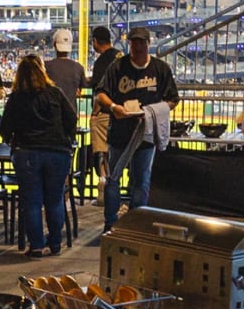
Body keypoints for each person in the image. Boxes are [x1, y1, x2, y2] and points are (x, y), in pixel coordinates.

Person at [93, 26, 181, 226]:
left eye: (141, 43)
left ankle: (135, 224)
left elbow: (173, 99)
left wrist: (153, 112)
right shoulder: (117, 67)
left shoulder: (160, 68)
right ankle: (111, 224)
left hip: (146, 134)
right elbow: (100, 93)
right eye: (134, 43)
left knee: (141, 181)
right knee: (113, 179)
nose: (138, 47)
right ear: (129, 45)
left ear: (148, 44)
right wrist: (114, 107)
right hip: (120, 132)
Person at [1, 53, 75, 257]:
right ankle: (55, 243)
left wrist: (11, 140)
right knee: (55, 199)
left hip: (27, 152)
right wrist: (66, 138)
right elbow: (71, 119)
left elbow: (5, 128)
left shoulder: (16, 98)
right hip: (57, 152)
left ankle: (36, 246)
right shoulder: (55, 93)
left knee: (32, 201)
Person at [87, 24, 120, 158]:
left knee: (103, 154)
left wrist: (94, 113)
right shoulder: (120, 56)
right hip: (121, 111)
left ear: (95, 41)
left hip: (105, 112)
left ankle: (104, 172)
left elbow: (99, 90)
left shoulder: (101, 61)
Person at [43, 28, 86, 109]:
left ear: (54, 45)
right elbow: (81, 88)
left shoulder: (45, 66)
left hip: (51, 112)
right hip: (71, 112)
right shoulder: (79, 67)